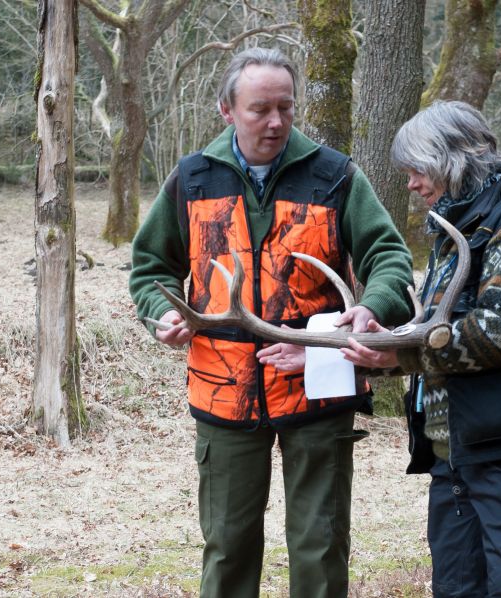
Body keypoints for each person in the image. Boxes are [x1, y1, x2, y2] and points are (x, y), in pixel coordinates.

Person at [129, 48, 413, 598]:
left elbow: (389, 258)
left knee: (320, 545)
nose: (276, 121)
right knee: (229, 546)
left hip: (319, 386)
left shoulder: (336, 177)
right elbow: (150, 267)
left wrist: (373, 307)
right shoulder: (191, 179)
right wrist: (160, 312)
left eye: (285, 107)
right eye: (260, 108)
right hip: (222, 391)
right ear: (226, 110)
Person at [341, 101, 501, 597]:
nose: (412, 184)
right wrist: (381, 339)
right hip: (460, 449)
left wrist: (402, 355)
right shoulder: (453, 234)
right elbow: (435, 333)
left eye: (418, 170)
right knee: (458, 588)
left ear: (452, 160)